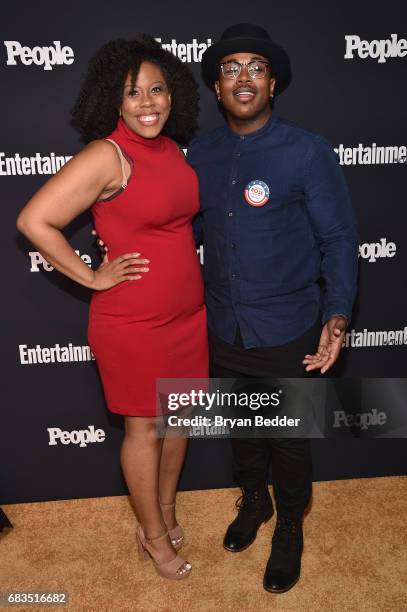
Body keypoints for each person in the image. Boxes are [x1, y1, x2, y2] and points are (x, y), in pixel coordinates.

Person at [16, 36, 208, 581]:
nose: (148, 103)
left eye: (157, 90)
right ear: (114, 101)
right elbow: (34, 221)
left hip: (187, 318)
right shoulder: (108, 154)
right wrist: (92, 275)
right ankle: (151, 537)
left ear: (173, 96)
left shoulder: (170, 149)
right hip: (134, 322)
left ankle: (165, 511)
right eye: (133, 94)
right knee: (145, 429)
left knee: (180, 421)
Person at [187, 23, 359, 593]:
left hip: (287, 324)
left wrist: (337, 313)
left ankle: (289, 526)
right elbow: (176, 226)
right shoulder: (202, 153)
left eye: (255, 68)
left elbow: (337, 237)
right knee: (243, 427)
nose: (243, 77)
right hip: (223, 323)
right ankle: (254, 502)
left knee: (286, 438)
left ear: (273, 83)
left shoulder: (306, 150)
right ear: (216, 87)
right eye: (231, 68)